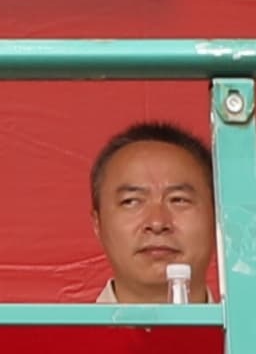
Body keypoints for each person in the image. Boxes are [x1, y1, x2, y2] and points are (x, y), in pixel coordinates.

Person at [84, 119, 222, 306]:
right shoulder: (56, 327)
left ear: (217, 218)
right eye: (131, 201)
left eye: (178, 200)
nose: (157, 223)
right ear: (97, 224)